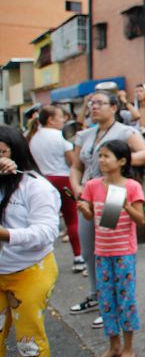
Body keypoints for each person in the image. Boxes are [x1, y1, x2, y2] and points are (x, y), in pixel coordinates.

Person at [68, 91, 145, 329]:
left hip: (113, 193)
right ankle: (97, 295)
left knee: (113, 244)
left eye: (100, 103)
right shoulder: (84, 135)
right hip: (89, 191)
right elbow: (75, 166)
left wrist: (117, 162)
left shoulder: (125, 132)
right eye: (91, 103)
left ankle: (113, 304)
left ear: (113, 108)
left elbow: (144, 154)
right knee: (91, 247)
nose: (94, 107)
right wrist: (76, 187)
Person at [0, 126, 60, 357]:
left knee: (28, 335)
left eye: (1, 151)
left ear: (16, 152)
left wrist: (6, 235)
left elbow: (46, 232)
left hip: (31, 270)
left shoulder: (35, 186)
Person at [77, 140, 145, 357]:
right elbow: (91, 215)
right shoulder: (93, 185)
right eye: (100, 156)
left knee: (126, 300)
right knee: (106, 300)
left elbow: (141, 220)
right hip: (102, 252)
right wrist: (85, 210)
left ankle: (128, 348)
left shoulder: (133, 186)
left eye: (106, 156)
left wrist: (126, 205)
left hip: (124, 253)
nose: (101, 160)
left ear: (122, 161)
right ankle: (113, 346)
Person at [29, 105, 83, 271]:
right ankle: (78, 257)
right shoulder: (59, 137)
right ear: (51, 119)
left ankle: (42, 259)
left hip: (42, 180)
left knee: (45, 220)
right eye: (60, 117)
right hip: (62, 179)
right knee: (72, 218)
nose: (63, 120)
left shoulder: (34, 137)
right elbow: (72, 162)